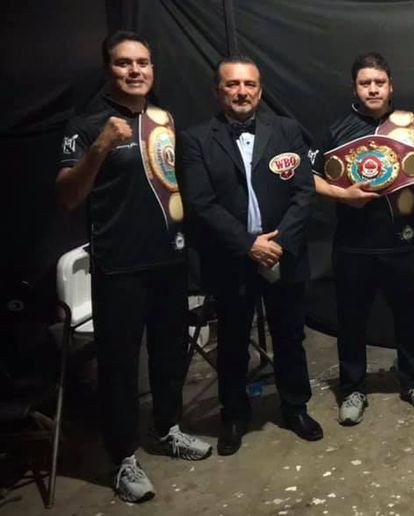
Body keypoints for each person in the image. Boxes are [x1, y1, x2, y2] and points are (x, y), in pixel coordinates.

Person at [56, 31, 211, 503]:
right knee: (121, 368)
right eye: (124, 63)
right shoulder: (86, 126)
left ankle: (168, 428)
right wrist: (100, 147)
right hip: (119, 266)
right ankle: (123, 456)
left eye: (143, 62)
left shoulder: (165, 119)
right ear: (109, 70)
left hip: (169, 259)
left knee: (168, 355)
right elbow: (65, 197)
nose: (135, 70)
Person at [178, 56, 322, 456]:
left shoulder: (288, 130)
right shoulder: (195, 139)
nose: (242, 92)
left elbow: (305, 192)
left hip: (283, 254)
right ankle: (235, 415)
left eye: (250, 85)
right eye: (232, 85)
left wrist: (278, 242)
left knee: (290, 336)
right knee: (233, 342)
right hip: (231, 258)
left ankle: (296, 407)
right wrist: (248, 244)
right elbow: (200, 203)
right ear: (218, 90)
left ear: (260, 89)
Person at [309, 52, 414, 425]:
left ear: (390, 86)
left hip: (404, 240)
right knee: (351, 321)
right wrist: (342, 195)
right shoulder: (337, 130)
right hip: (354, 245)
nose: (373, 89)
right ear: (355, 87)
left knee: (410, 318)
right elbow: (309, 174)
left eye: (379, 83)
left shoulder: (413, 126)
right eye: (365, 83)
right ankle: (351, 390)